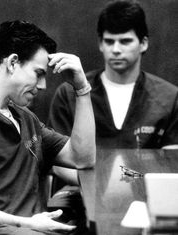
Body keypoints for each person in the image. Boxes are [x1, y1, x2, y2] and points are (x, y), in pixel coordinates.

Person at [0, 20, 96, 235]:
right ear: (13, 62)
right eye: (38, 73)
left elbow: (83, 158)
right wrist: (24, 223)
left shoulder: (26, 118)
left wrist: (81, 88)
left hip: (36, 229)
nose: (43, 86)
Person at [47, 0, 178, 200]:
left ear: (143, 43)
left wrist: (133, 186)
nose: (116, 49)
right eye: (109, 41)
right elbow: (58, 163)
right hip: (80, 200)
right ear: (100, 43)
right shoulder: (69, 93)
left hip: (146, 200)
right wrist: (101, 185)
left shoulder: (169, 97)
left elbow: (172, 162)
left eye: (125, 41)